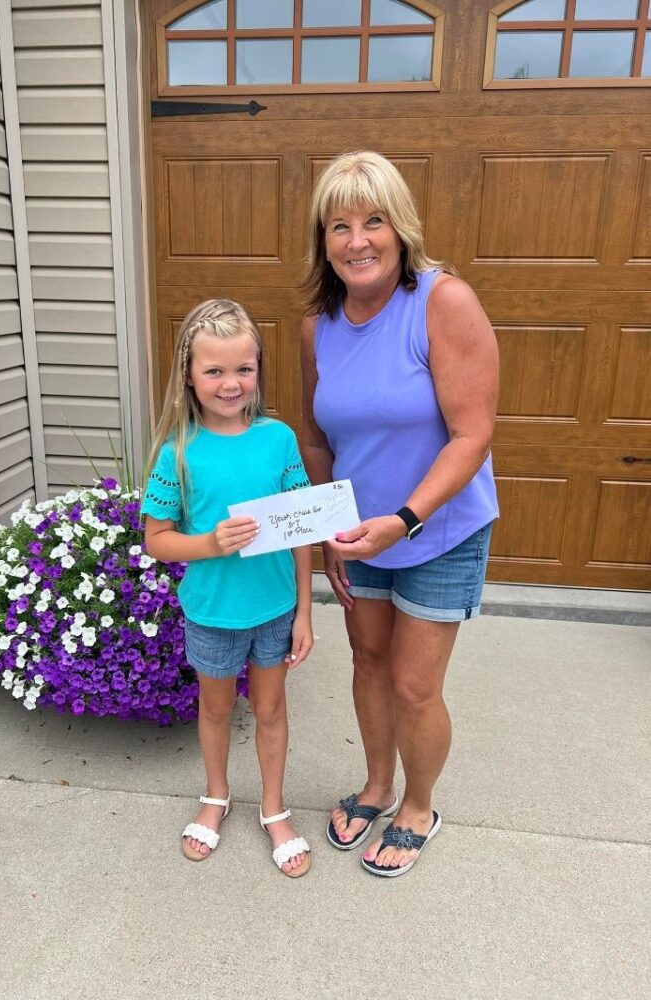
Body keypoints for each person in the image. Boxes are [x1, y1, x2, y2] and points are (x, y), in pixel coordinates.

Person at [299, 151, 499, 878]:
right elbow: (316, 437)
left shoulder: (443, 302)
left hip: (438, 530)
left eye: (374, 221)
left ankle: (417, 805)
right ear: (323, 240)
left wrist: (405, 519)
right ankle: (376, 785)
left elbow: (472, 434)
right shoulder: (317, 325)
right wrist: (329, 530)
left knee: (414, 685)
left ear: (401, 227)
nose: (358, 240)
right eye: (340, 225)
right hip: (360, 534)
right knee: (368, 661)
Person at [142, 298, 313, 878]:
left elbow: (300, 528)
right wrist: (210, 543)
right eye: (214, 370)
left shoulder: (279, 439)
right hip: (213, 610)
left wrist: (305, 611)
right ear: (189, 374)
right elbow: (157, 539)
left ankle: (273, 806)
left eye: (244, 368)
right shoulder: (178, 451)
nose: (230, 383)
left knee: (270, 708)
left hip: (275, 607)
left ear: (259, 368)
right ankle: (216, 794)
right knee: (215, 708)